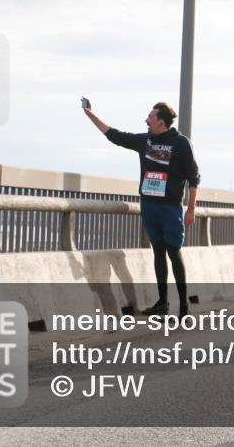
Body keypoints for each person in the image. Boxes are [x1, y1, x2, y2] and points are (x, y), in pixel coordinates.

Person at [83, 99, 199, 317]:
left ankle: (184, 307)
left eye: (150, 117)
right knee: (158, 252)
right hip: (149, 205)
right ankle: (162, 303)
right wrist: (91, 115)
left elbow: (194, 178)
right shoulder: (145, 141)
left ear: (161, 122)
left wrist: (190, 209)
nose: (146, 120)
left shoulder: (181, 143)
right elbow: (115, 136)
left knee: (174, 253)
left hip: (170, 207)